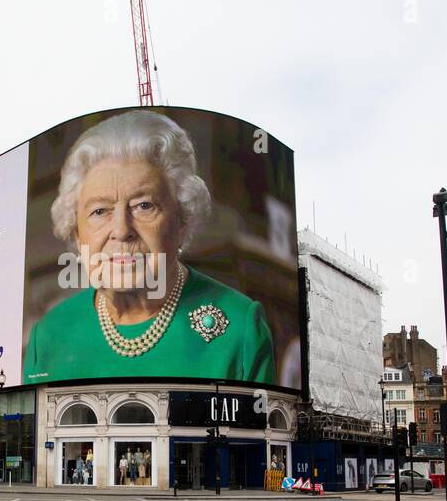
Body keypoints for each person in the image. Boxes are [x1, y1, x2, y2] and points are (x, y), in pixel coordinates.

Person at [23, 110, 277, 386]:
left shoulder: (240, 327)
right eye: (99, 211)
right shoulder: (48, 336)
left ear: (181, 221)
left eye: (144, 206)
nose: (121, 230)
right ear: (76, 232)